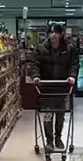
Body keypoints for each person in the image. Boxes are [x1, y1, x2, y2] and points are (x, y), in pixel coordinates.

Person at [32, 23, 79, 151]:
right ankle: (49, 141)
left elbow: (74, 64)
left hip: (62, 87)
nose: (53, 35)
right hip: (46, 88)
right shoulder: (41, 48)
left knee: (60, 114)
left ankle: (58, 138)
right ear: (48, 34)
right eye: (51, 32)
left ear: (61, 34)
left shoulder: (69, 48)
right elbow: (35, 64)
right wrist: (35, 76)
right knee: (48, 114)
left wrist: (72, 76)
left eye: (56, 32)